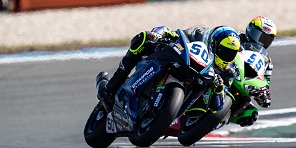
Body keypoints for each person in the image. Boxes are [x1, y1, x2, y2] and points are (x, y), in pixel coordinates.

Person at [99, 25, 241, 111]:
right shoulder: (200, 38)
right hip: (176, 58)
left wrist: (219, 89)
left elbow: (218, 107)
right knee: (143, 38)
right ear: (214, 45)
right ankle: (112, 85)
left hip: (189, 97)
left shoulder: (227, 73)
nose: (227, 55)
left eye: (231, 53)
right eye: (224, 51)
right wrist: (161, 33)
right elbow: (178, 34)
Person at [232, 15, 277, 127]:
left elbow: (265, 83)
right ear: (250, 30)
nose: (261, 41)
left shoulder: (267, 62)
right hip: (222, 70)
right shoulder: (235, 37)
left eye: (266, 39)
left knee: (251, 114)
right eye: (259, 36)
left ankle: (213, 121)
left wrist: (263, 94)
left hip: (243, 85)